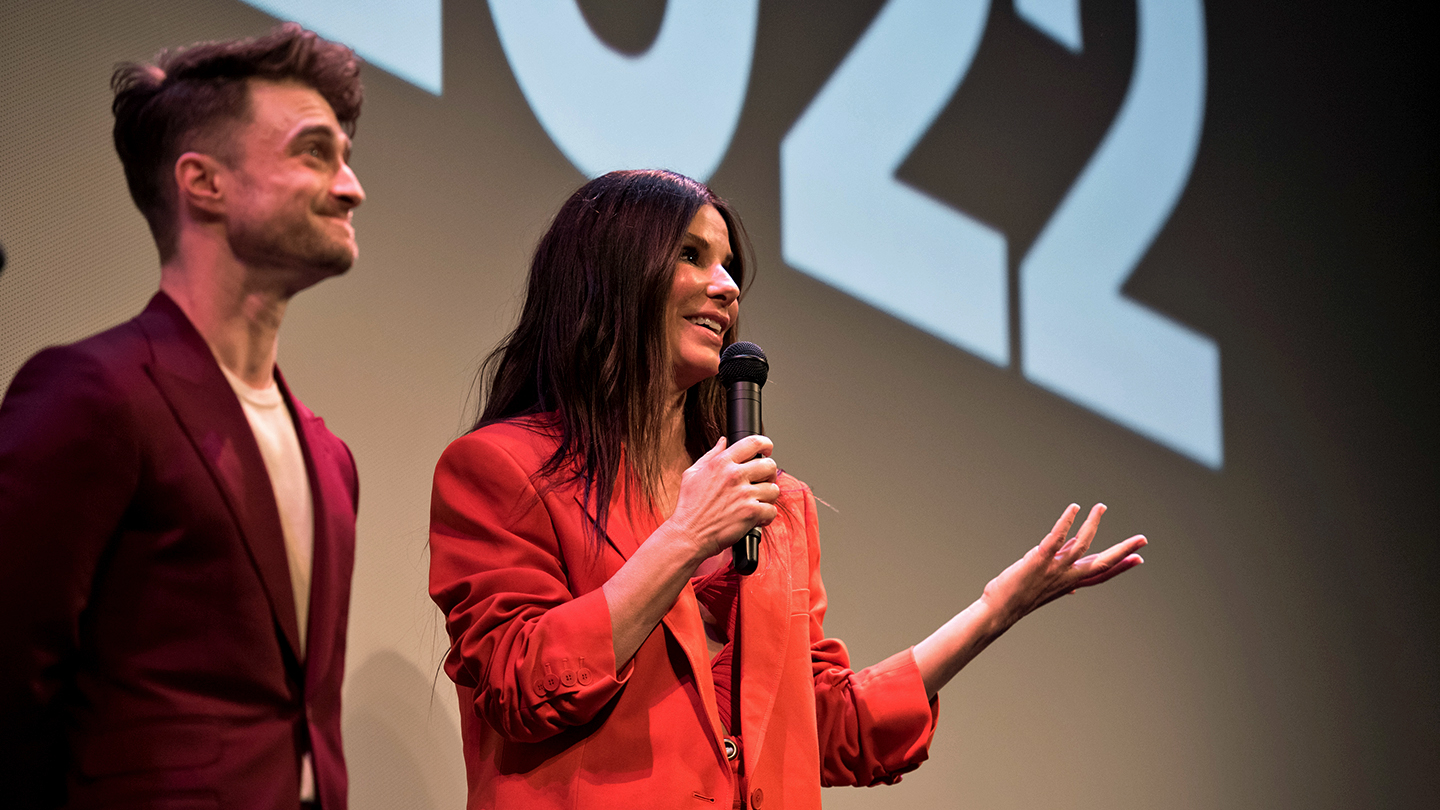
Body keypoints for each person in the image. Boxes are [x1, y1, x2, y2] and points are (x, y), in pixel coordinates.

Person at [428, 170, 1148, 809]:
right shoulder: (500, 468)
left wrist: (993, 612)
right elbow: (519, 685)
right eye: (691, 255)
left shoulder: (774, 505)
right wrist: (683, 539)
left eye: (731, 267)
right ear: (609, 274)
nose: (728, 287)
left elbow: (826, 728)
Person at [0, 24, 365, 809]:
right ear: (203, 182)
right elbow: (11, 675)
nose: (351, 186)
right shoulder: (93, 391)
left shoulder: (329, 456)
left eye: (345, 156)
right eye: (314, 153)